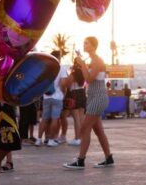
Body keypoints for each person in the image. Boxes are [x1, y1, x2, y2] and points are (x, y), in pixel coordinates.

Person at [63, 37, 114, 169]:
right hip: (92, 98)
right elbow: (84, 75)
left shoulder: (97, 61)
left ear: (93, 46)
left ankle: (80, 160)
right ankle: (109, 158)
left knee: (85, 128)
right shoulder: (91, 61)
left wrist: (83, 64)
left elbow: (89, 79)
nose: (84, 45)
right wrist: (80, 64)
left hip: (98, 97)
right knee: (98, 130)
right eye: (84, 43)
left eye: (86, 43)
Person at [36, 50, 69, 146]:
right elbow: (63, 84)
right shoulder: (61, 68)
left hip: (46, 96)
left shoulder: (46, 68)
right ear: (58, 57)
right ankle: (51, 140)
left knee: (44, 119)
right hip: (57, 97)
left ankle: (39, 139)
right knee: (55, 119)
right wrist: (64, 93)